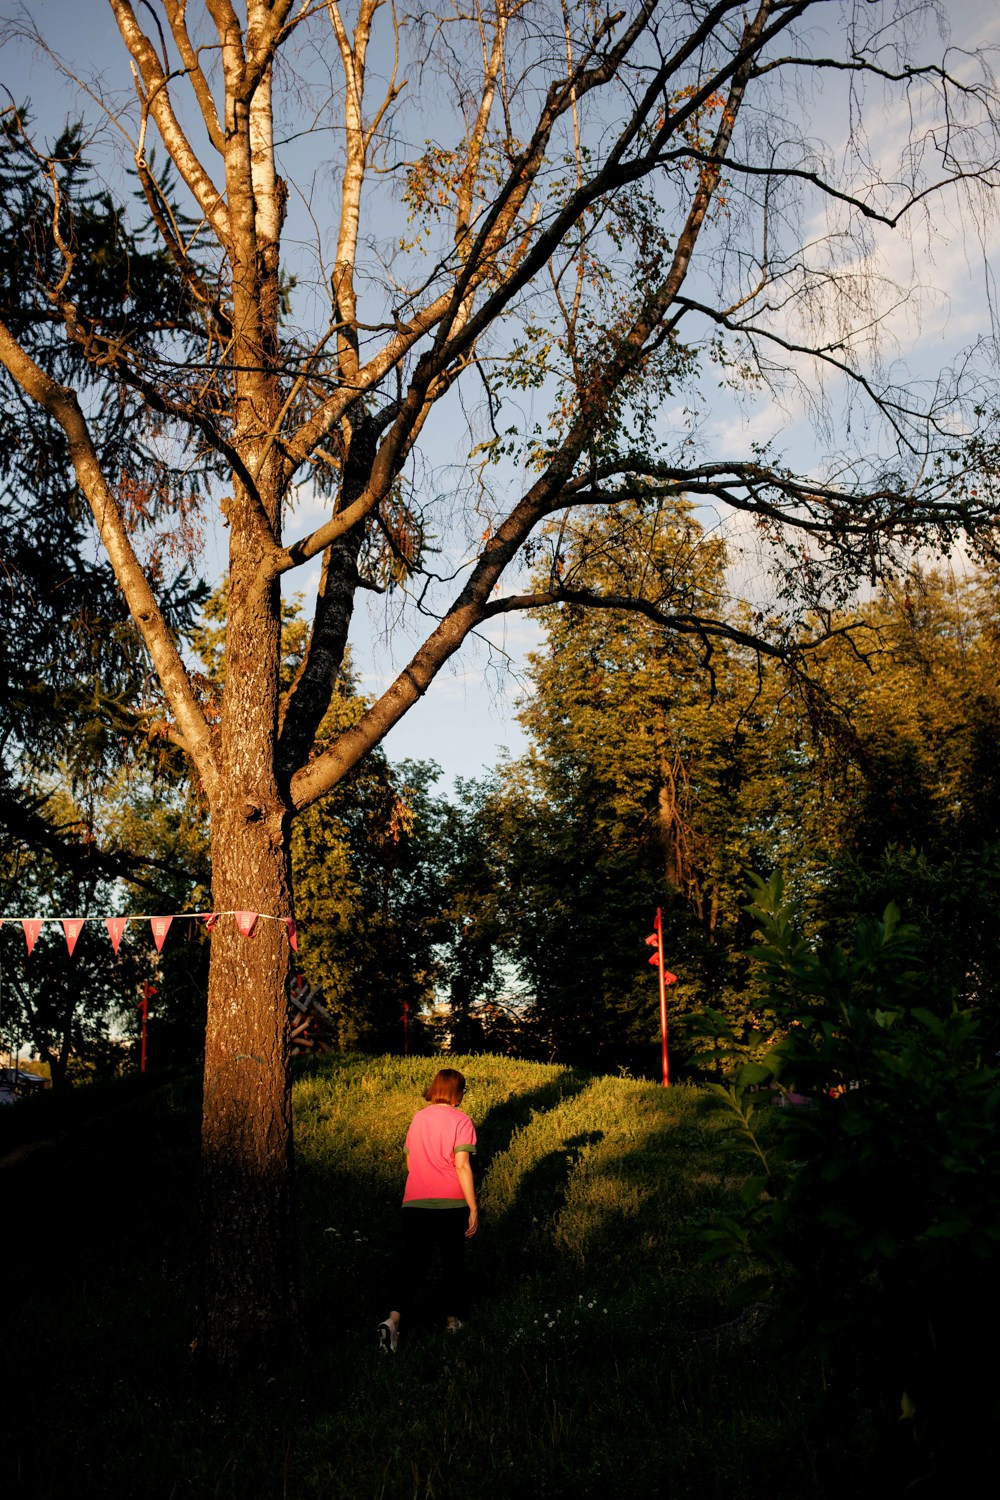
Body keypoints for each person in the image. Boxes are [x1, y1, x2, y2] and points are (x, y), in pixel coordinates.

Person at [377, 1067, 478, 1352]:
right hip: (451, 1202)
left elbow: (410, 1165)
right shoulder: (462, 1120)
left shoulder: (418, 1118)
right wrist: (473, 1206)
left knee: (411, 1263)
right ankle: (452, 1321)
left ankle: (393, 1320)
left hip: (414, 1202)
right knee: (452, 1262)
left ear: (435, 1089)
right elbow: (461, 1165)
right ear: (458, 1093)